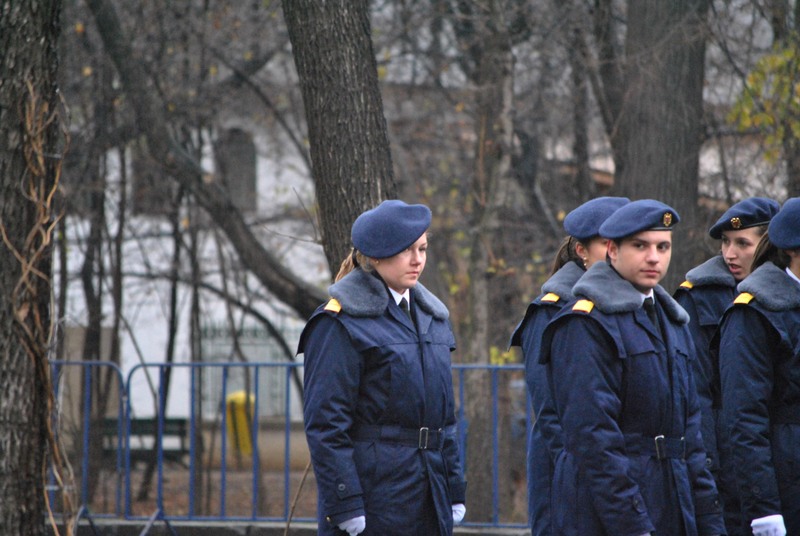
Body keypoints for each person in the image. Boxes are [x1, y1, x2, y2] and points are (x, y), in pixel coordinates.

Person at [540, 199, 725, 536]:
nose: (654, 257)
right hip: (609, 513)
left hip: (671, 498)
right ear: (612, 250)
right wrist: (632, 524)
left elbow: (691, 435)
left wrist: (709, 521)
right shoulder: (585, 323)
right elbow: (593, 439)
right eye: (640, 246)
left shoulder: (671, 320)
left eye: (662, 246)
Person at [298, 200, 467, 536]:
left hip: (429, 493)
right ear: (376, 255)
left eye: (422, 248)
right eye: (406, 250)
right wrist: (345, 502)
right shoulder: (341, 321)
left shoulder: (432, 319)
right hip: (375, 495)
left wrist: (453, 487)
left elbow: (443, 420)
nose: (417, 260)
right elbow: (327, 424)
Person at [509, 196, 629, 535]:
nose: (616, 253)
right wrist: (589, 474)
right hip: (568, 475)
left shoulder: (627, 305)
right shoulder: (552, 309)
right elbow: (551, 412)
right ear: (581, 251)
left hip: (616, 471)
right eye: (607, 244)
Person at [674, 197, 779, 536]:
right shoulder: (698, 295)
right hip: (725, 459)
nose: (730, 254)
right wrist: (706, 465)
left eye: (742, 244)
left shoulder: (783, 293)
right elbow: (696, 391)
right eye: (725, 242)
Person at [717, 197, 800, 536]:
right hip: (786, 489)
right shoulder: (754, 312)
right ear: (792, 249)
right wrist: (765, 512)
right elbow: (745, 421)